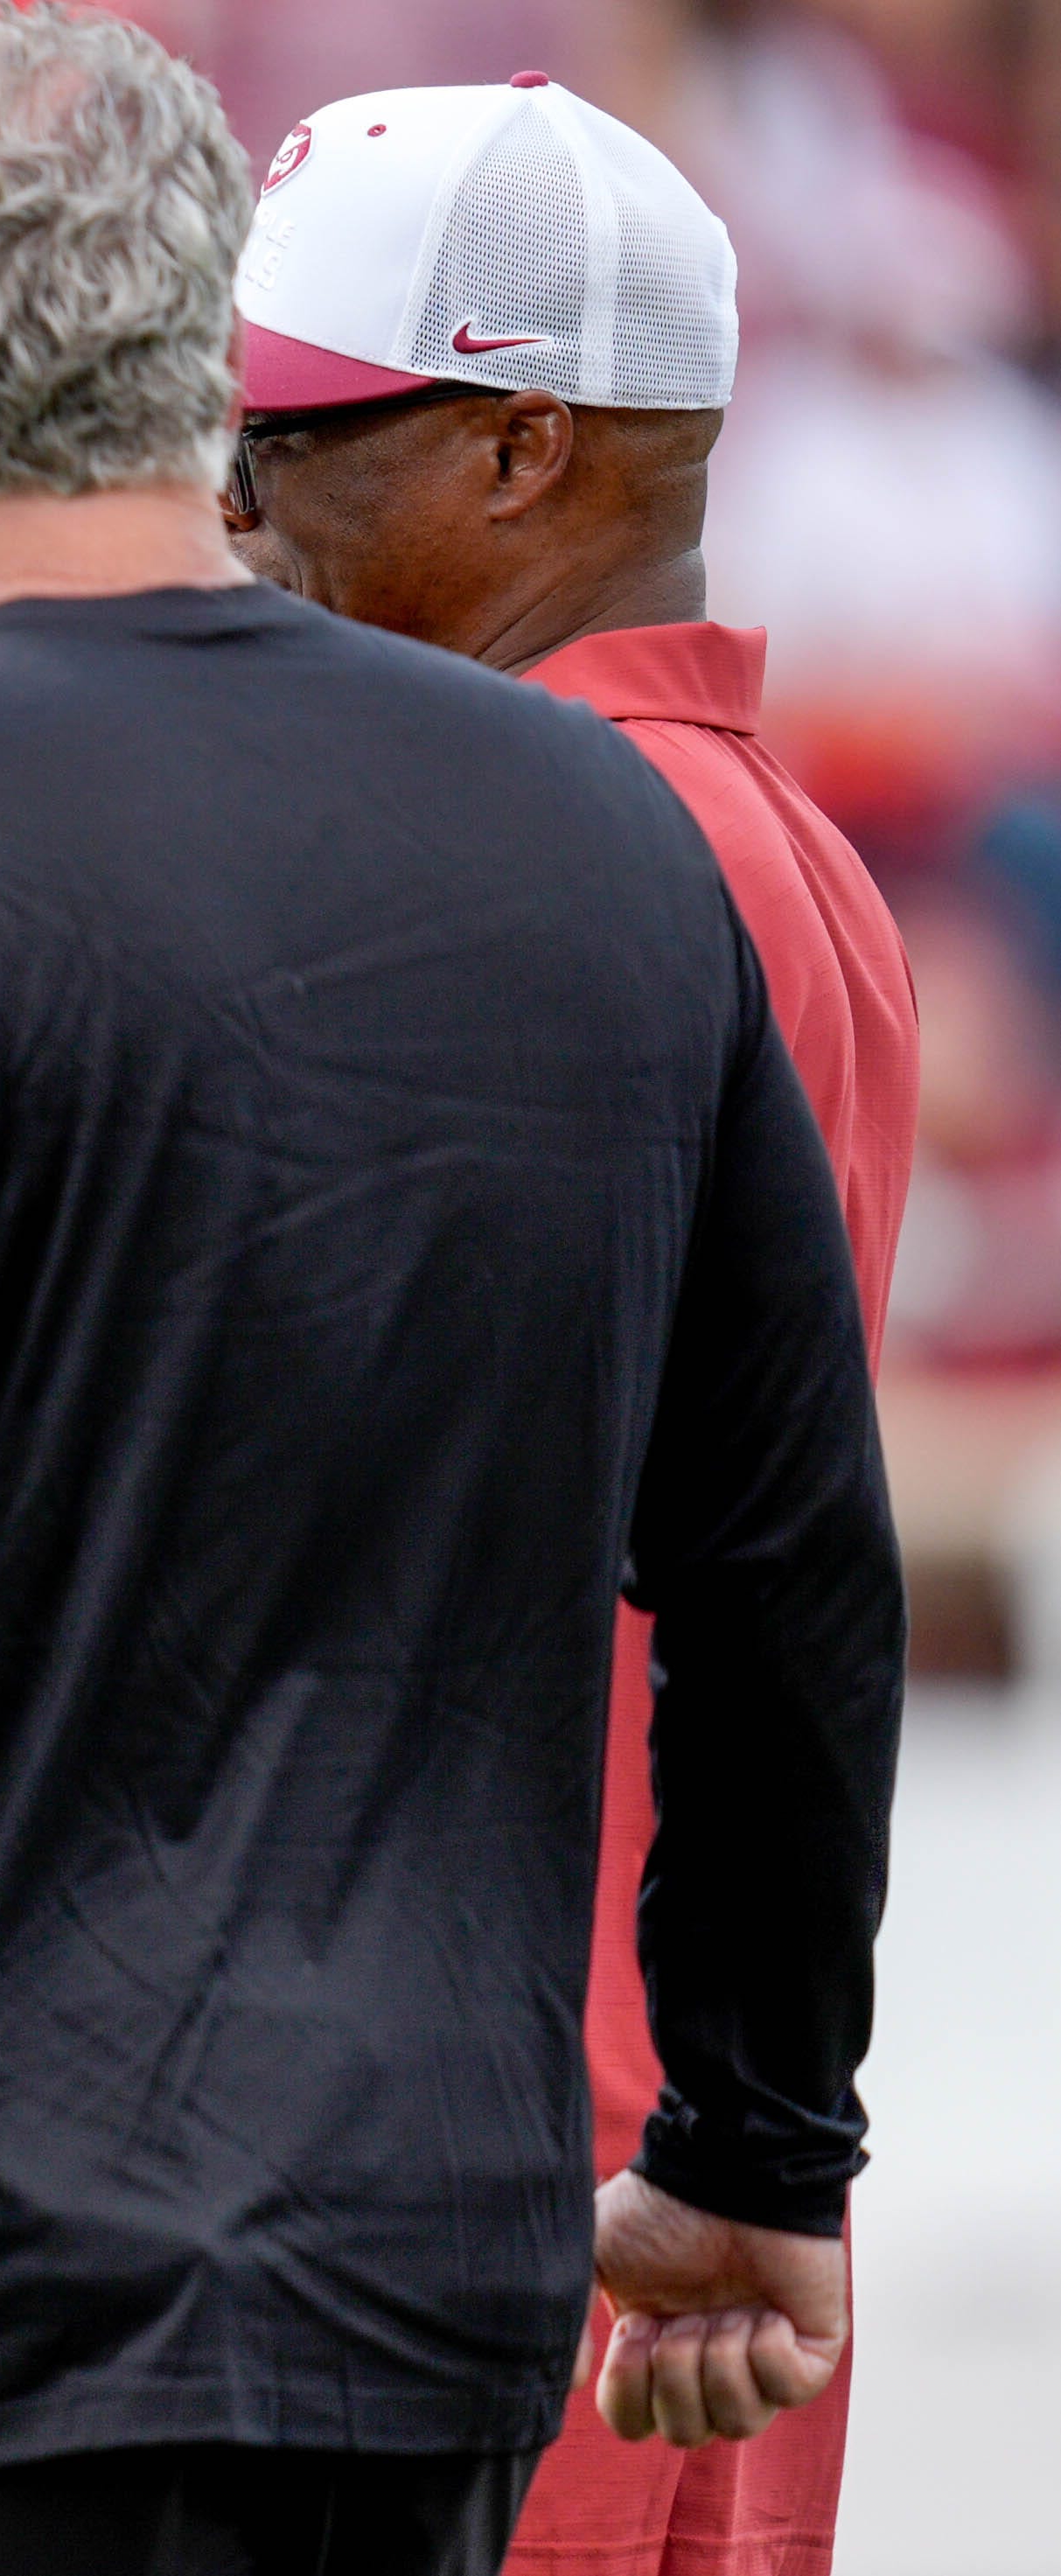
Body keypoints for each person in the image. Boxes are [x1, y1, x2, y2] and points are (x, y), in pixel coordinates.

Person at [0, 10, 904, 2576]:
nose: (255, 491)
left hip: (12, 2265)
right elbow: (790, 1572)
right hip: (461, 2227)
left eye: (310, 431)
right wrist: (768, 2125)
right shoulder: (604, 825)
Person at [222, 75, 918, 2576]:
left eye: (293, 430)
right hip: (648, 2120)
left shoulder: (524, 853)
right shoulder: (764, 842)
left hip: (496, 2151)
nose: (234, 501)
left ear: (521, 451)